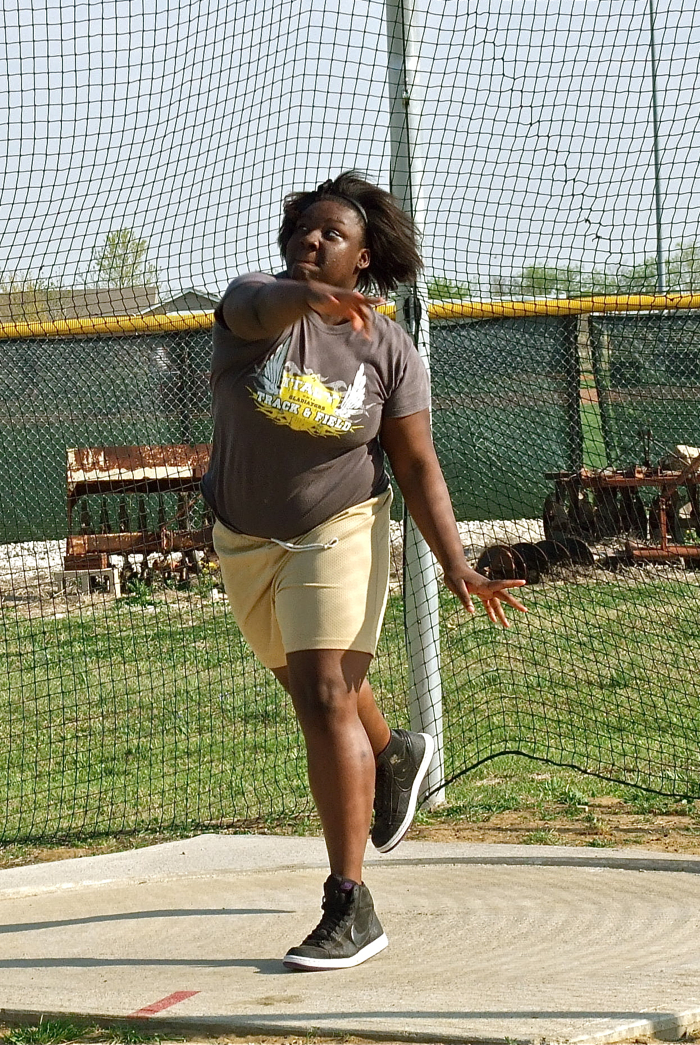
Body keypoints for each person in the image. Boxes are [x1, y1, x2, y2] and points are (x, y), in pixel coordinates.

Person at [203, 170, 526, 972]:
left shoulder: (388, 349)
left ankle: (350, 904)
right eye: (303, 231)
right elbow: (258, 303)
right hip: (244, 541)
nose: (312, 242)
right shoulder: (254, 309)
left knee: (323, 697)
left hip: (340, 528)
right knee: (321, 695)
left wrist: (457, 564)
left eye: (332, 234)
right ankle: (392, 752)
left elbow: (416, 465)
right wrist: (308, 298)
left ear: (365, 256)